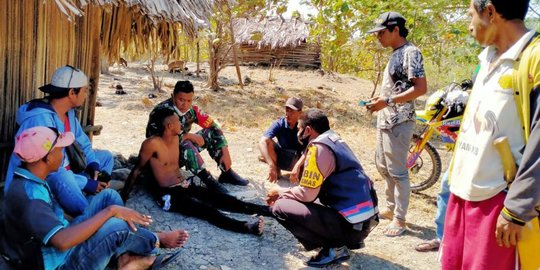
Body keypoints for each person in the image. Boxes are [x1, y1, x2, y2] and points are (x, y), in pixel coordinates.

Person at [0, 126, 189, 270]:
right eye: (60, 149)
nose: (63, 154)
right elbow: (62, 241)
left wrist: (110, 209)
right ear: (47, 158)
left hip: (55, 248)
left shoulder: (29, 179)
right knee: (117, 225)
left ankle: (124, 256)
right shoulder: (30, 197)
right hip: (60, 263)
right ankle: (154, 243)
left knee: (108, 196)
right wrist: (111, 212)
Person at [441, 0, 540, 269]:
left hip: (498, 203)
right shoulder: (486, 59)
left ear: (490, 12)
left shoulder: (534, 59)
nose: (469, 22)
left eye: (471, 13)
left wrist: (517, 210)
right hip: (463, 192)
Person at [124, 107, 270, 236]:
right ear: (169, 126)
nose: (181, 124)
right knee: (206, 210)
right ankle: (247, 227)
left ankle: (266, 210)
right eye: (177, 122)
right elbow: (137, 170)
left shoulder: (176, 137)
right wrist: (123, 197)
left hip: (184, 186)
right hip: (168, 194)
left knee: (221, 199)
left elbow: (199, 140)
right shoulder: (152, 144)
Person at [267, 108, 379, 268]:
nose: (297, 133)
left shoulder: (318, 149)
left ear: (307, 130)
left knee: (280, 206)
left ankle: (335, 247)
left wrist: (280, 192)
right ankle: (341, 240)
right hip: (363, 223)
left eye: (299, 129)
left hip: (351, 228)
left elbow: (307, 194)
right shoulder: (334, 140)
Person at [4, 65, 115, 217]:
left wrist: (93, 165)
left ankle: (91, 194)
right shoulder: (40, 120)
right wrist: (87, 183)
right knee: (63, 177)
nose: (86, 95)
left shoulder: (68, 115)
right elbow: (45, 168)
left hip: (66, 169)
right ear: (71, 93)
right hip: (45, 178)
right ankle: (87, 216)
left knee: (106, 157)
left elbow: (83, 142)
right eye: (84, 90)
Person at [366, 11, 427, 237]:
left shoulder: (411, 52)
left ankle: (400, 219)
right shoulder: (395, 54)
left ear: (395, 30)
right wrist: (379, 102)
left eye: (381, 33)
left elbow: (420, 88)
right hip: (386, 120)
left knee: (398, 172)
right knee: (384, 167)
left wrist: (388, 101)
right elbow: (398, 87)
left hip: (400, 121)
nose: (378, 37)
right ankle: (391, 209)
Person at [146, 80, 248, 194]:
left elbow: (213, 126)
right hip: (162, 160)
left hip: (178, 154)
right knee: (186, 143)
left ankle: (227, 172)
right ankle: (206, 179)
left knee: (210, 132)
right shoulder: (162, 112)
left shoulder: (191, 110)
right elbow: (159, 142)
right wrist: (189, 136)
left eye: (189, 100)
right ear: (173, 96)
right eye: (181, 100)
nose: (185, 104)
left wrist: (225, 150)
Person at [258, 97, 307, 183]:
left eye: (292, 111)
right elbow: (262, 142)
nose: (288, 114)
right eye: (287, 110)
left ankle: (299, 173)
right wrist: (271, 165)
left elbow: (310, 149)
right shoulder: (279, 123)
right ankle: (276, 170)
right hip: (281, 157)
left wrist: (298, 166)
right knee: (267, 143)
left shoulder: (305, 127)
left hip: (298, 160)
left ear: (300, 113)